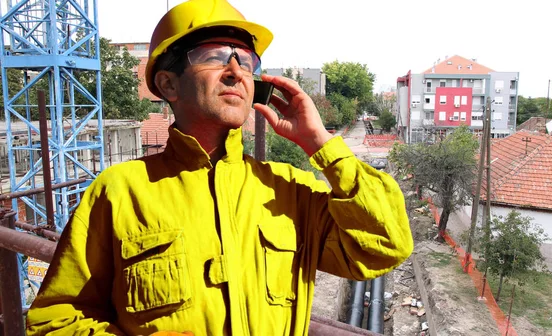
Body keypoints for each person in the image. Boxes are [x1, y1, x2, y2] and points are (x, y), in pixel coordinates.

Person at [26, 0, 413, 335]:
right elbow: (54, 320)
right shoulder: (120, 192)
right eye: (214, 56)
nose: (236, 71)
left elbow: (384, 246)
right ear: (168, 84)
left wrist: (321, 144)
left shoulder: (290, 191)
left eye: (246, 60)